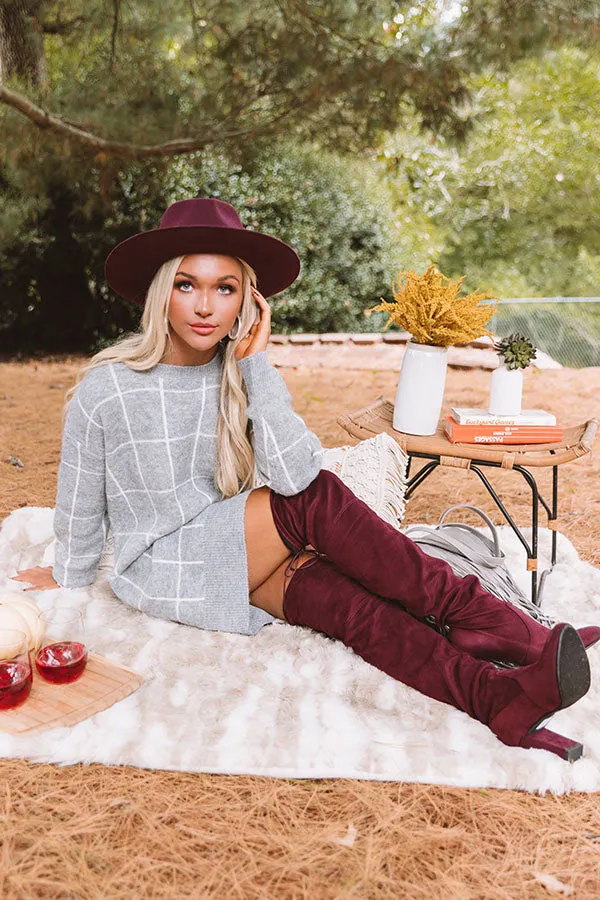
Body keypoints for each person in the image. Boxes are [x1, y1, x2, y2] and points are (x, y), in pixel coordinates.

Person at [11, 197, 599, 762]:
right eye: (186, 284)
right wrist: (70, 570)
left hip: (234, 549)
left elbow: (294, 469)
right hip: (164, 565)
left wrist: (254, 364)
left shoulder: (239, 372)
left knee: (347, 606)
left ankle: (498, 699)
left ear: (247, 300)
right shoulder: (107, 388)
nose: (204, 306)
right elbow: (82, 493)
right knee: (312, 503)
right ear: (161, 292)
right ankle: (500, 626)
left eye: (225, 287)